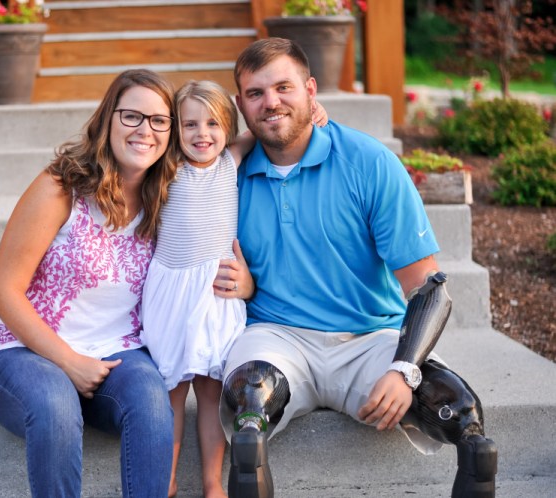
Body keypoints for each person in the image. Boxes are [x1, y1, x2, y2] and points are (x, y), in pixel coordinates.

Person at [213, 38, 498, 498]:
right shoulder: (225, 175)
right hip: (278, 334)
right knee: (249, 403)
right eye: (255, 93)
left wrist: (405, 367)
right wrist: (247, 286)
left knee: (461, 415)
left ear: (311, 89)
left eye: (284, 87)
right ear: (241, 105)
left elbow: (429, 287)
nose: (271, 103)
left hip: (370, 337)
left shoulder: (369, 162)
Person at [0, 69, 177, 498]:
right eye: (131, 116)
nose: (145, 130)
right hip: (25, 353)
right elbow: (2, 289)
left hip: (116, 356)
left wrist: (312, 118)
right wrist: (68, 361)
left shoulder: (166, 197)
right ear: (107, 120)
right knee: (54, 405)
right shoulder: (60, 188)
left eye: (159, 120)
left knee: (150, 400)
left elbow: (225, 145)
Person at [142, 80, 328, 498]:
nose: (201, 133)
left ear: (227, 125)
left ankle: (212, 485)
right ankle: (165, 481)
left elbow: (258, 130)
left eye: (211, 122)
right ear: (174, 128)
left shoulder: (231, 159)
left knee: (212, 395)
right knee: (172, 395)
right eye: (189, 124)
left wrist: (315, 111)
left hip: (217, 293)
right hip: (172, 293)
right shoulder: (166, 166)